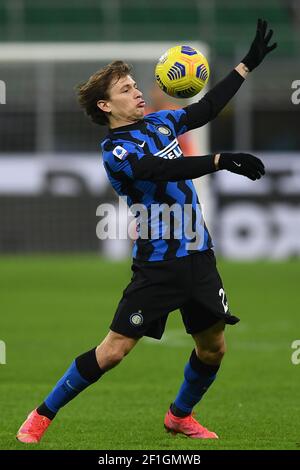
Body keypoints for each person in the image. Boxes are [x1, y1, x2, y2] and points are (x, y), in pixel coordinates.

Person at [16, 19, 276, 443]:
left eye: (136, 85)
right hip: (159, 265)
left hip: (199, 255)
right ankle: (43, 413)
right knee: (114, 351)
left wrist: (246, 65)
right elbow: (158, 169)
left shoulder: (160, 123)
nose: (138, 91)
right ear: (105, 106)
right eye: (126, 89)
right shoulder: (117, 150)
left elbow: (206, 109)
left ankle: (179, 416)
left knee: (213, 347)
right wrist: (218, 160)